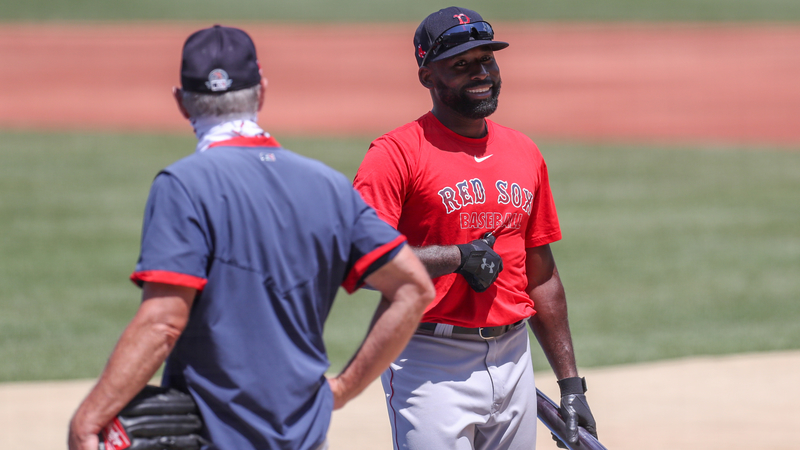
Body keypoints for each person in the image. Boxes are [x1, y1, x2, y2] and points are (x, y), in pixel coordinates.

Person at [68, 24, 435, 450]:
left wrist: (88, 420)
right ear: (261, 92)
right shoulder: (326, 185)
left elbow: (163, 322)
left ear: (181, 101)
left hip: (215, 435)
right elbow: (413, 287)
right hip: (304, 435)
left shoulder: (183, 184)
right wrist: (343, 388)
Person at [353, 7, 598, 450]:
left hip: (515, 358)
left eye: (486, 59)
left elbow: (541, 275)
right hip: (429, 363)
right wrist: (455, 257)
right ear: (428, 76)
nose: (480, 73)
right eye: (461, 64)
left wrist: (570, 384)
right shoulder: (394, 155)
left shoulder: (524, 152)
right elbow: (360, 262)